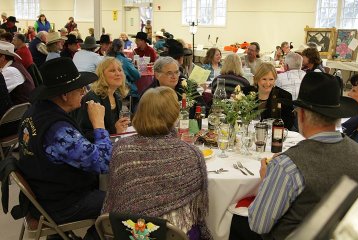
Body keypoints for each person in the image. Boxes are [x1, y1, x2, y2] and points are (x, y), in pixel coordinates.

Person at [230, 72, 358, 240]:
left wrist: (265, 181)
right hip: (340, 235)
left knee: (235, 221)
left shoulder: (287, 165)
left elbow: (258, 224)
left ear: (302, 115)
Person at [18, 57, 111, 240]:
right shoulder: (57, 130)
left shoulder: (36, 111)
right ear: (65, 95)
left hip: (43, 191)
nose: (84, 93)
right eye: (80, 89)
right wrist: (99, 124)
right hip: (62, 203)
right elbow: (103, 163)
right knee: (122, 200)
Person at [102, 86, 212, 240]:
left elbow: (117, 198)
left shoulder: (121, 148)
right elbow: (198, 206)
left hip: (129, 232)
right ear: (174, 116)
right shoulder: (191, 154)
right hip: (172, 234)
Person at [76, 57, 130, 140]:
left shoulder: (117, 97)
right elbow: (84, 133)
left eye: (120, 70)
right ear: (102, 75)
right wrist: (114, 129)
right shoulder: (92, 99)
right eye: (112, 70)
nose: (118, 73)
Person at [248, 62, 294, 129]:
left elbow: (288, 124)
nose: (268, 83)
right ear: (257, 79)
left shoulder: (284, 96)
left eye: (271, 79)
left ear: (275, 79)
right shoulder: (245, 93)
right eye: (264, 79)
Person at [107, 39, 141, 111]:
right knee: (137, 96)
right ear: (121, 48)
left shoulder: (106, 59)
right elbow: (137, 75)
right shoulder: (124, 60)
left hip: (108, 89)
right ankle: (135, 115)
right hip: (123, 91)